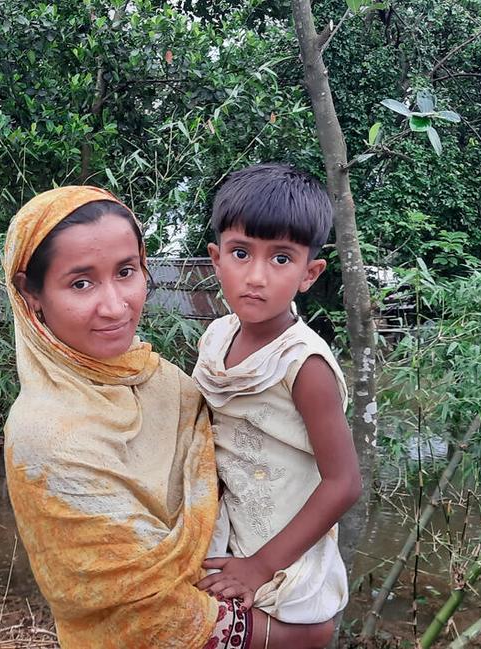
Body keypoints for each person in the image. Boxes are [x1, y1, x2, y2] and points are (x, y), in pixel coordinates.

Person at [3, 185, 334, 649]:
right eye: (81, 282)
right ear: (30, 294)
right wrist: (301, 636)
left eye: (126, 271)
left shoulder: (162, 380)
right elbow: (145, 613)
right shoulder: (47, 438)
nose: (116, 306)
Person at [192, 163, 363, 627]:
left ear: (310, 273)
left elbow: (344, 483)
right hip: (228, 529)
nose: (256, 276)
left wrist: (261, 566)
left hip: (280, 552)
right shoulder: (216, 336)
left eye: (281, 259)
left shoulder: (304, 365)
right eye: (241, 253)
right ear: (216, 258)